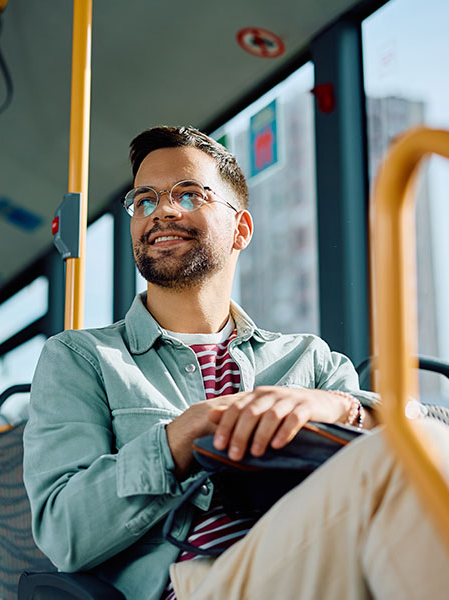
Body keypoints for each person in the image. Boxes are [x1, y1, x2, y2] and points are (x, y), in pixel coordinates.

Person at [23, 126, 449, 600]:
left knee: (419, 452)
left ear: (241, 229)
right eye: (143, 201)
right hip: (190, 582)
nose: (161, 210)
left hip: (324, 562)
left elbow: (413, 434)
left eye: (188, 194)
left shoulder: (308, 359)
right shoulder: (83, 359)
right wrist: (180, 436)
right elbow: (64, 535)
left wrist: (339, 409)